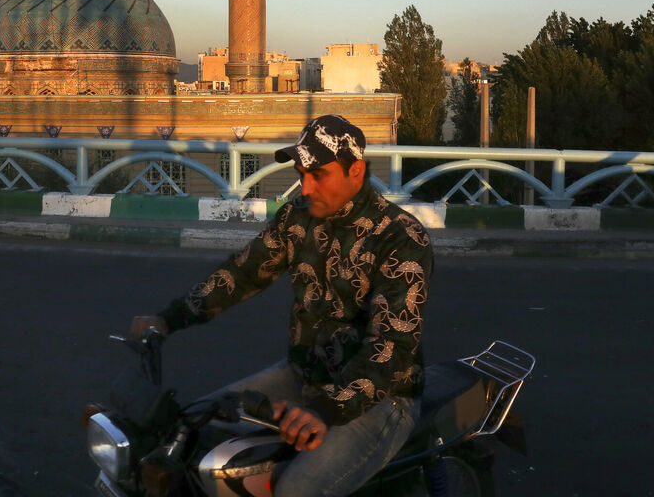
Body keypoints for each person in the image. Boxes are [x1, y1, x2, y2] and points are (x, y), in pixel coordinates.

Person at [130, 115, 432, 497]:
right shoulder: (297, 217)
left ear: (355, 171)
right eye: (301, 174)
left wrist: (326, 410)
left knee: (295, 491)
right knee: (190, 432)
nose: (306, 187)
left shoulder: (401, 238)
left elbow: (390, 347)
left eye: (318, 175)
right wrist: (169, 319)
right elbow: (243, 273)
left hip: (379, 400)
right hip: (302, 377)